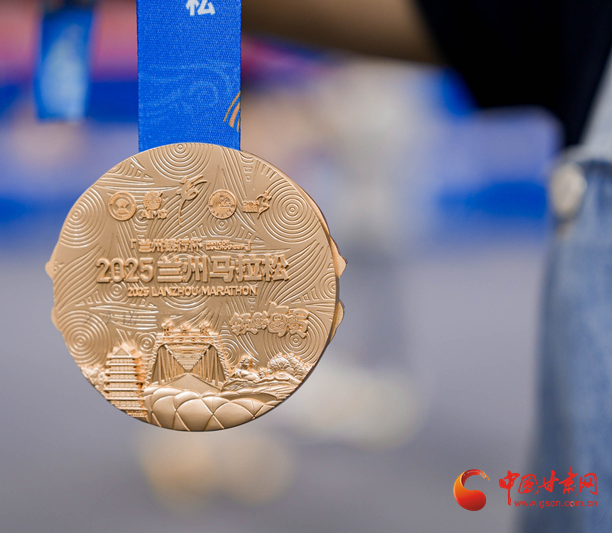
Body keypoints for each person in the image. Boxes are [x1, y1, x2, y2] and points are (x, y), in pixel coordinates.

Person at [243, 1, 612, 531]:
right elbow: (460, 20)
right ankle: (368, 377)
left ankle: (382, 375)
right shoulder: (583, 29)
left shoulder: (379, 100)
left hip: (374, 208)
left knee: (367, 277)